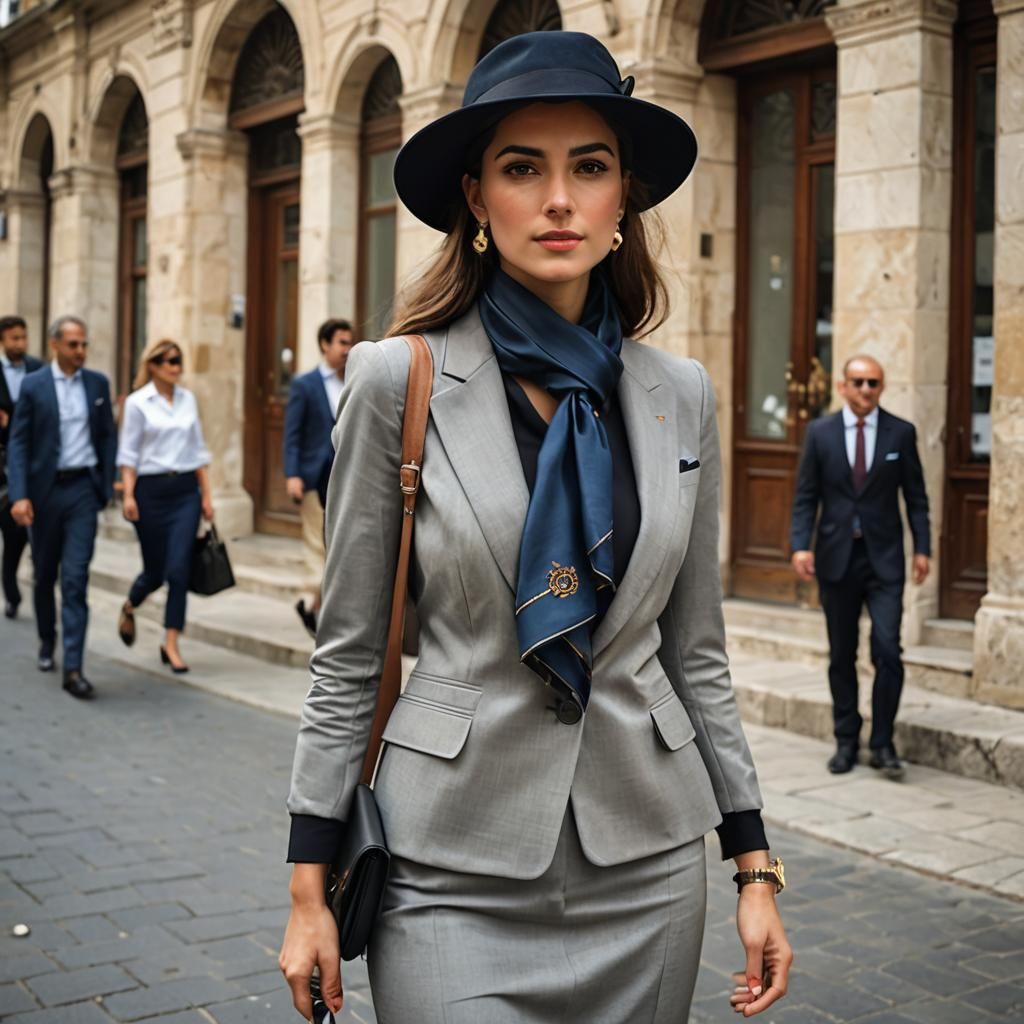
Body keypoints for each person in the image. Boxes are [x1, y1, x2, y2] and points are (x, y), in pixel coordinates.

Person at [279, 32, 792, 1024]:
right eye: (523, 167)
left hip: (647, 867)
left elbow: (695, 655)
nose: (559, 199)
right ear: (476, 197)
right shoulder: (399, 379)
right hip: (448, 870)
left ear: (621, 199)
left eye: (588, 167)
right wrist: (308, 887)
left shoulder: (679, 395)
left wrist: (754, 866)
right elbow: (346, 656)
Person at [790, 354, 931, 781]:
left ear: (881, 388)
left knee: (888, 650)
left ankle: (883, 743)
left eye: (874, 383)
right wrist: (800, 545)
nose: (866, 390)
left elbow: (917, 496)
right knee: (842, 655)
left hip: (884, 560)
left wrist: (923, 548)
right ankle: (846, 741)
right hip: (836, 559)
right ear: (842, 386)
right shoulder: (820, 433)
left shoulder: (900, 433)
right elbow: (805, 495)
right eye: (859, 382)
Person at [6, 315, 116, 698]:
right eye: (74, 345)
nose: (81, 351)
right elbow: (18, 444)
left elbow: (106, 436)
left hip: (83, 489)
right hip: (45, 492)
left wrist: (106, 486)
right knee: (44, 574)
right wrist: (19, 495)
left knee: (75, 578)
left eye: (84, 344)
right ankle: (45, 638)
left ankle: (74, 668)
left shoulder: (98, 383)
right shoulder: (34, 386)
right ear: (56, 346)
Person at [115, 339, 214, 674]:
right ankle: (131, 604)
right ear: (154, 365)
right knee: (156, 571)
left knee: (178, 570)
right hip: (150, 493)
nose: (176, 367)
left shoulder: (188, 399)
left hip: (185, 491)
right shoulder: (137, 403)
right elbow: (128, 455)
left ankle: (170, 642)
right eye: (170, 361)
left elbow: (198, 451)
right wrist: (128, 495)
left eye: (179, 360)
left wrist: (207, 497)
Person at [283, 318, 354, 638]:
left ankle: (311, 606)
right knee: (316, 543)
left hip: (347, 475)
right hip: (313, 476)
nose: (347, 349)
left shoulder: (354, 379)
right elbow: (292, 433)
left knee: (339, 544)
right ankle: (321, 610)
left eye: (350, 342)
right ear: (325, 345)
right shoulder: (305, 384)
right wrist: (292, 474)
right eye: (341, 342)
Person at [0, 315, 43, 619]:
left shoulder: (38, 369)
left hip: (33, 465)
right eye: (13, 338)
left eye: (23, 337)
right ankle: (12, 592)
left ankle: (40, 585)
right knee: (13, 536)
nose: (19, 343)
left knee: (36, 533)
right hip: (2, 469)